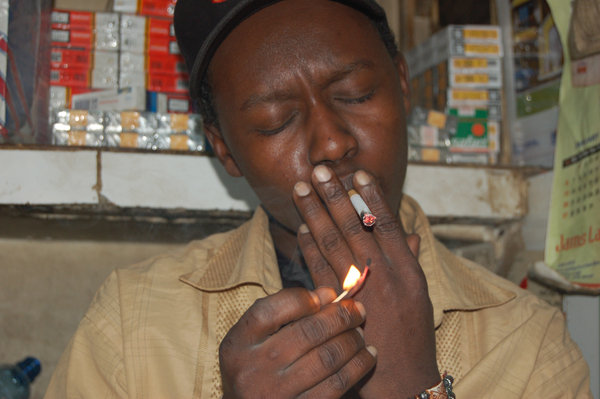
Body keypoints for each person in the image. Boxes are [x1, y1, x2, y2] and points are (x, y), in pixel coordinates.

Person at [45, 0, 592, 397]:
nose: (331, 142)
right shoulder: (134, 321)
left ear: (402, 87)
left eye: (355, 95)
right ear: (225, 150)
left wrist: (413, 389)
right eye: (274, 121)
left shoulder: (527, 342)